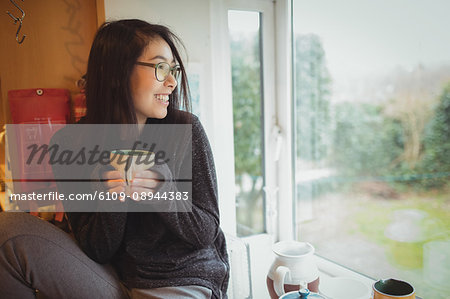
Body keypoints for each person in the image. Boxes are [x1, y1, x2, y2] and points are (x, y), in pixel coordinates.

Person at [0, 19, 229, 299]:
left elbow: (205, 231)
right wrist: (111, 196)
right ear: (115, 74)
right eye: (160, 67)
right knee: (7, 231)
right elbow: (96, 249)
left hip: (181, 279)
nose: (172, 82)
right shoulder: (70, 142)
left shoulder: (185, 130)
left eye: (173, 69)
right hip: (112, 279)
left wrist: (163, 193)